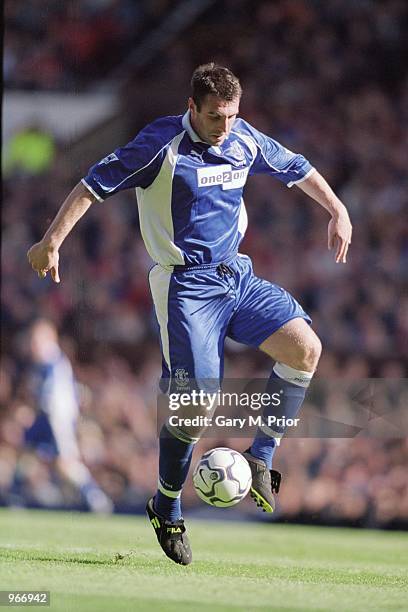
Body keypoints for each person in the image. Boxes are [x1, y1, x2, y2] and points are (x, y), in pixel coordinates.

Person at [27, 63, 352, 564]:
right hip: (186, 285)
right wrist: (52, 241)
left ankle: (261, 458)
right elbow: (92, 184)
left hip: (236, 276)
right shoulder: (159, 145)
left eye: (232, 116)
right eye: (216, 117)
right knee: (195, 403)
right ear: (192, 108)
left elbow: (296, 166)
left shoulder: (243, 138)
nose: (226, 127)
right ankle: (167, 503)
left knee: (305, 347)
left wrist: (337, 209)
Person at [24, 318, 113, 513]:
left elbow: (51, 396)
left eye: (37, 340)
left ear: (50, 339)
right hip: (49, 416)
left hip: (57, 419)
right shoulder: (48, 363)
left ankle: (94, 496)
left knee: (65, 461)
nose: (33, 346)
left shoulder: (51, 361)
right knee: (35, 454)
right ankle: (27, 494)